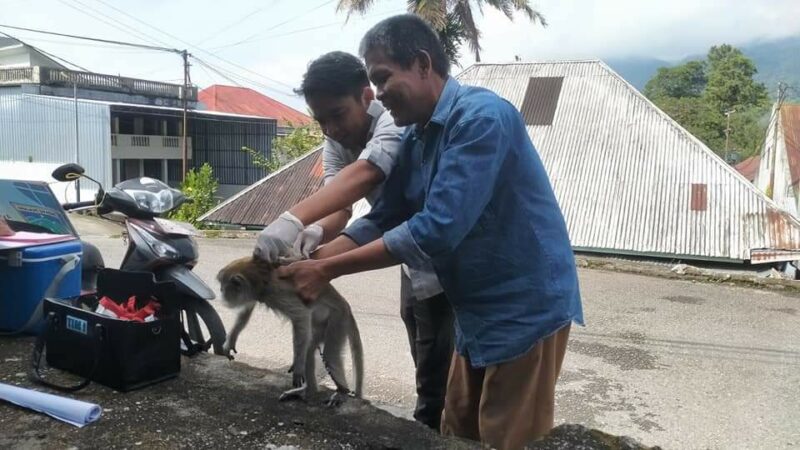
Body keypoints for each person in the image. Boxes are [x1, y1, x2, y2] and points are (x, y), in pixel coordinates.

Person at [276, 15, 584, 450]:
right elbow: (387, 214)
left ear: (423, 64)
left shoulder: (481, 118)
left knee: (508, 438)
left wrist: (328, 271)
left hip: (524, 307)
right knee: (456, 429)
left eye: (383, 78)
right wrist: (318, 258)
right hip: (476, 312)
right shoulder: (418, 136)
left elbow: (435, 230)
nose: (378, 94)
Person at [253, 51, 453, 429]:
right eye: (320, 120)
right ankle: (431, 425)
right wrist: (312, 237)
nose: (330, 129)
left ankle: (433, 430)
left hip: (442, 256)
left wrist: (292, 221)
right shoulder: (336, 140)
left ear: (366, 97)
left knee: (446, 375)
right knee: (424, 356)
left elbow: (367, 174)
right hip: (409, 260)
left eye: (337, 114)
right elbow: (340, 204)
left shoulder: (395, 123)